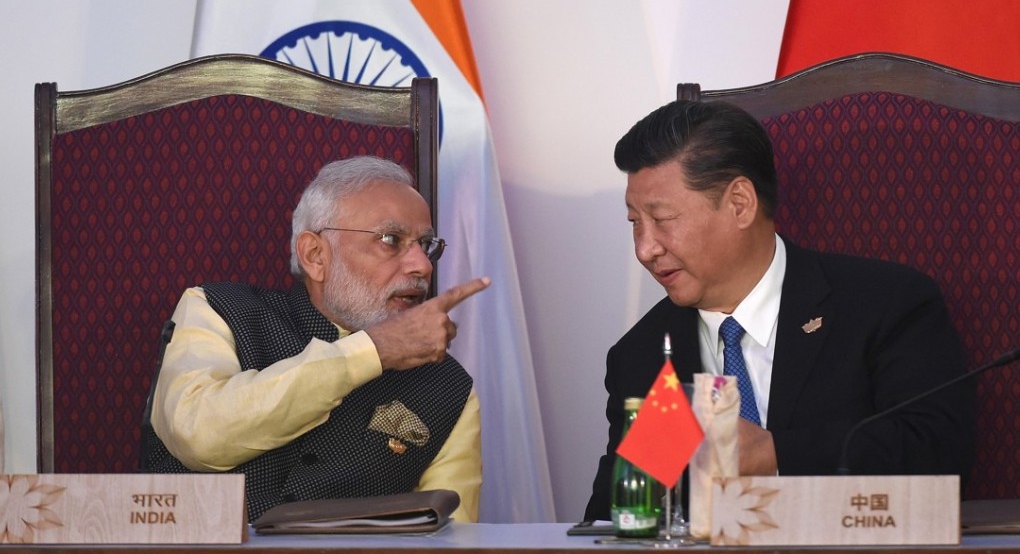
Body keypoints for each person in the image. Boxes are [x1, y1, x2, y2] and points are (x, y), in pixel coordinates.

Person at [584, 99, 975, 521]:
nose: (645, 248)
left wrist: (773, 454)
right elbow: (613, 520)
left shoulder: (885, 304)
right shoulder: (642, 355)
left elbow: (940, 453)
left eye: (662, 219)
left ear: (740, 203)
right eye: (634, 222)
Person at [146, 156, 490, 523]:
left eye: (426, 244)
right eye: (391, 240)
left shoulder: (449, 388)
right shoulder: (217, 309)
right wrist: (374, 351)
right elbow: (198, 436)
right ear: (315, 256)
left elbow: (451, 539)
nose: (422, 266)